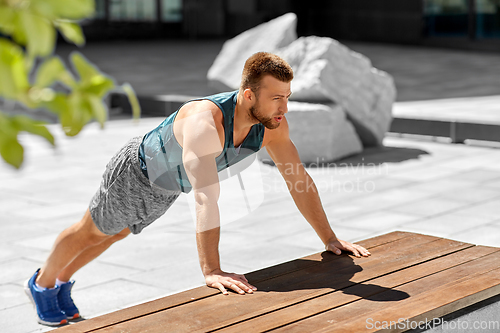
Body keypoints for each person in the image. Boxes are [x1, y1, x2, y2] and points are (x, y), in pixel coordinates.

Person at [25, 52, 371, 326]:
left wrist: (329, 237)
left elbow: (299, 180)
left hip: (166, 187)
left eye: (287, 97)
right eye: (276, 98)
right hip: (137, 173)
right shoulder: (206, 122)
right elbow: (206, 196)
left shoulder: (271, 125)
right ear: (249, 94)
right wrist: (212, 270)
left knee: (113, 235)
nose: (284, 108)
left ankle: (61, 283)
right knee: (90, 231)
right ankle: (42, 284)